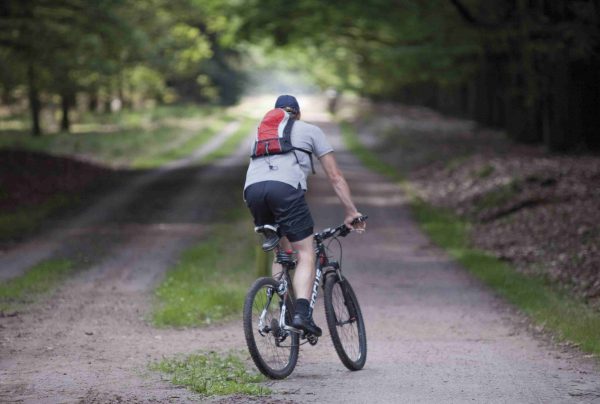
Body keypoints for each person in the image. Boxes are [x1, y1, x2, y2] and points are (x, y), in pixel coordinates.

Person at [243, 94, 365, 336]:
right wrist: (351, 211)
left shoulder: (261, 133)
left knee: (283, 252)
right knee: (305, 252)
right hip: (285, 190)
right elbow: (335, 176)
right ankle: (300, 314)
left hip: (253, 192)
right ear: (297, 114)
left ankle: (280, 307)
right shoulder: (310, 130)